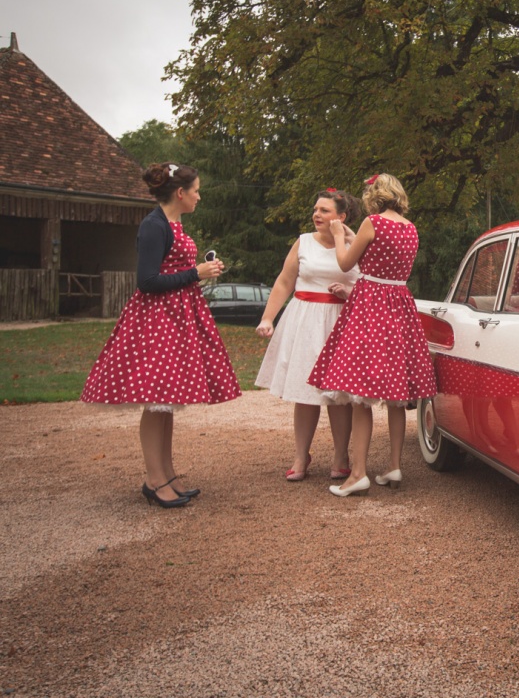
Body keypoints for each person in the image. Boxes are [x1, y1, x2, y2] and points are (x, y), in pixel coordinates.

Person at [81, 162, 241, 508]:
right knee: (156, 402)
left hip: (177, 316)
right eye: (196, 190)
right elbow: (148, 282)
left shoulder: (172, 222)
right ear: (180, 193)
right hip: (157, 320)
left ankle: (166, 474)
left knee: (165, 402)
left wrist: (198, 272)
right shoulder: (154, 226)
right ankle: (155, 480)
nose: (199, 196)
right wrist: (195, 274)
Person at [307, 174, 437, 497]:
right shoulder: (410, 228)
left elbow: (345, 261)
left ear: (375, 195)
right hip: (399, 306)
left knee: (359, 393)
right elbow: (382, 253)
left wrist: (339, 235)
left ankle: (359, 474)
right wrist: (353, 234)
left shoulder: (372, 222)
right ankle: (394, 466)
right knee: (395, 395)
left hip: (370, 305)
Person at [254, 188, 361, 482]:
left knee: (339, 395)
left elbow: (368, 286)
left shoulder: (357, 245)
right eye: (316, 209)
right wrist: (267, 318)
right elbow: (284, 281)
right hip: (304, 320)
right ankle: (301, 455)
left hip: (340, 323)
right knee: (305, 393)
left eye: (324, 211)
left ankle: (341, 456)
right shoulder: (302, 243)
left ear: (341, 217)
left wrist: (348, 291)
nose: (317, 215)